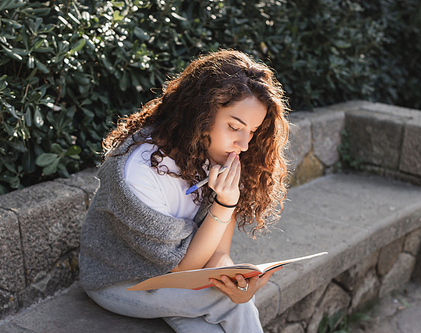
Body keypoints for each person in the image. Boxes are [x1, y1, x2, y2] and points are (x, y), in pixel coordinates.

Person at [79, 49, 290, 332]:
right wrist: (224, 204)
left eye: (251, 131)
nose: (244, 144)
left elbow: (216, 253)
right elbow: (181, 270)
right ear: (201, 114)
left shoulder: (216, 153)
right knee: (229, 303)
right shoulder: (139, 172)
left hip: (177, 280)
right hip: (122, 280)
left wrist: (234, 277)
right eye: (234, 126)